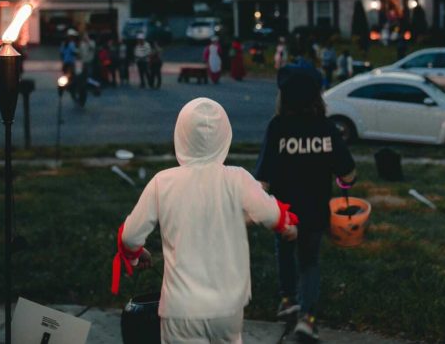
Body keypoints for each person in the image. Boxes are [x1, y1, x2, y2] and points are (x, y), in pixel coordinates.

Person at [113, 98, 300, 343]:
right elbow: (272, 214)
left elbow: (129, 237)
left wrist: (136, 254)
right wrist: (288, 227)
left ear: (180, 135)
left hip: (180, 308)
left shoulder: (162, 182)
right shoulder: (238, 179)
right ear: (225, 136)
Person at [254, 65, 357, 341]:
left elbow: (263, 178)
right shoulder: (326, 128)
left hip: (284, 211)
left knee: (285, 252)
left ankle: (288, 300)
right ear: (317, 97)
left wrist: (256, 206)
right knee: (309, 262)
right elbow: (348, 173)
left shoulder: (277, 128)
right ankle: (307, 318)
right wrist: (344, 182)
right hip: (314, 211)